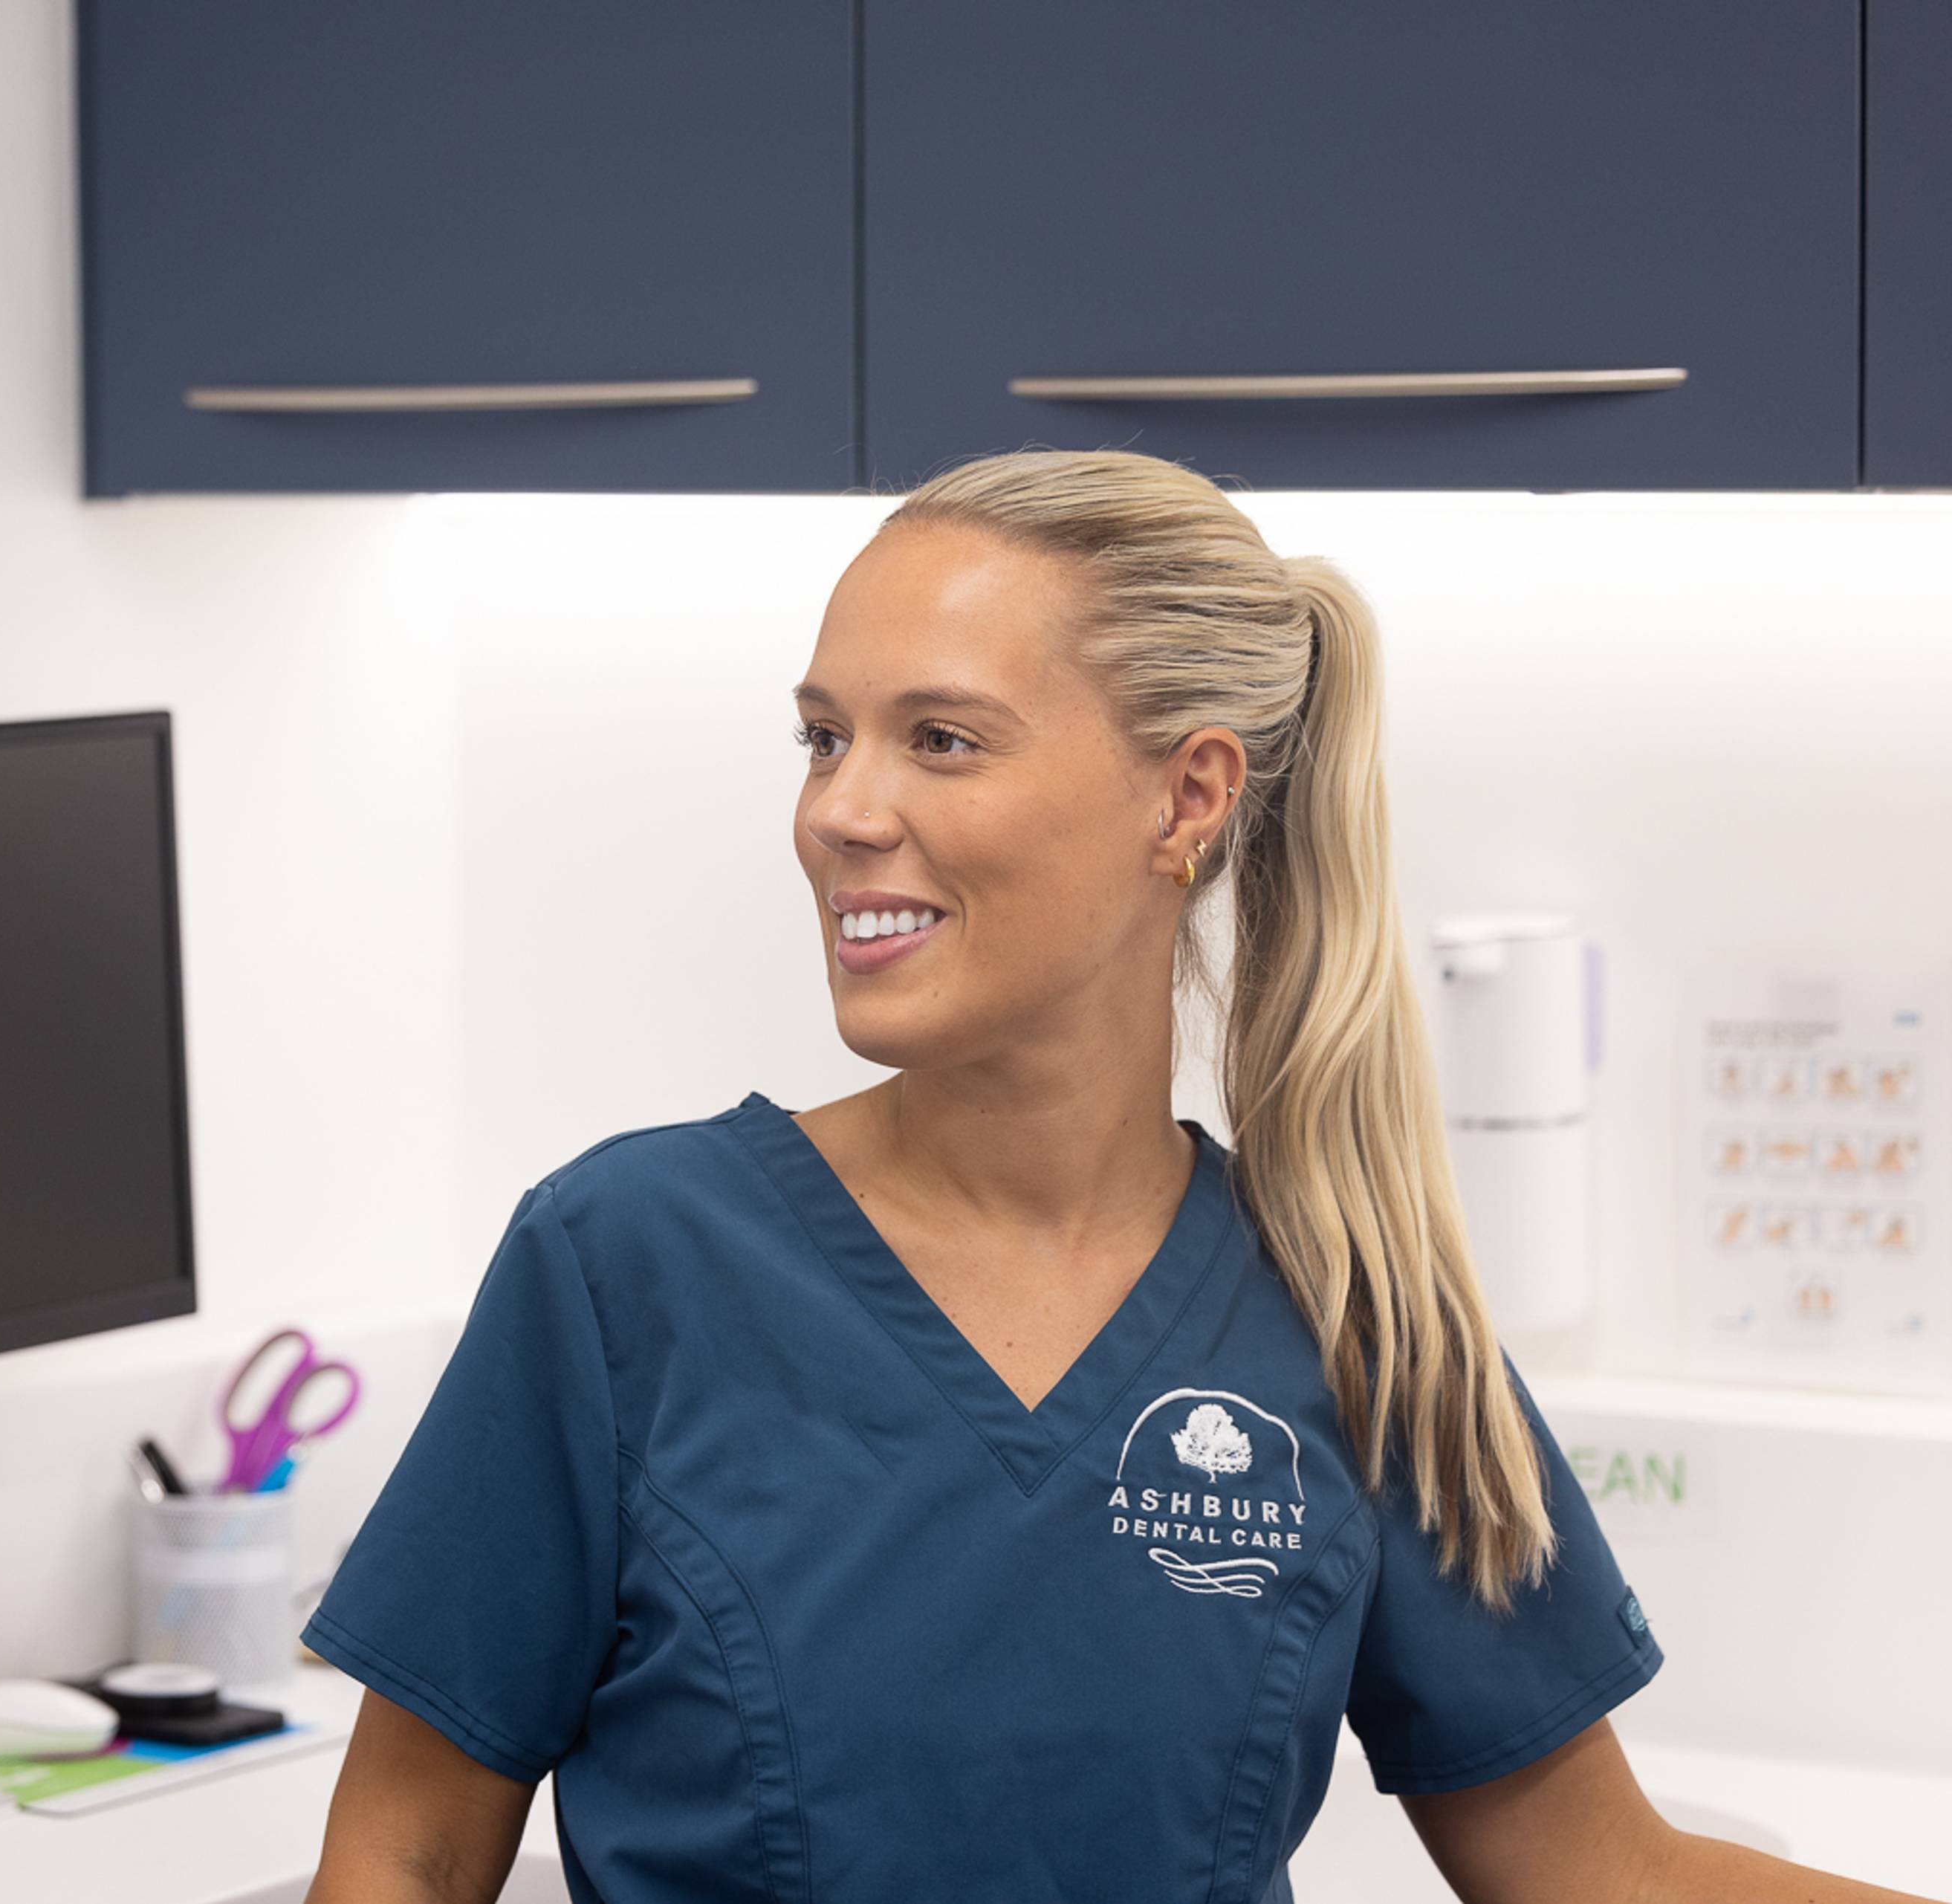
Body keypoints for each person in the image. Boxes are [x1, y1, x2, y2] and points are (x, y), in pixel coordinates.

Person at [296, 449, 1938, 1904]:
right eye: (823, 737)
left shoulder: (1348, 1317)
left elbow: (1602, 1872)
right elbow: (408, 1853)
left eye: (942, 739)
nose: (839, 811)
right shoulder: (625, 1263)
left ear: (1189, 795)